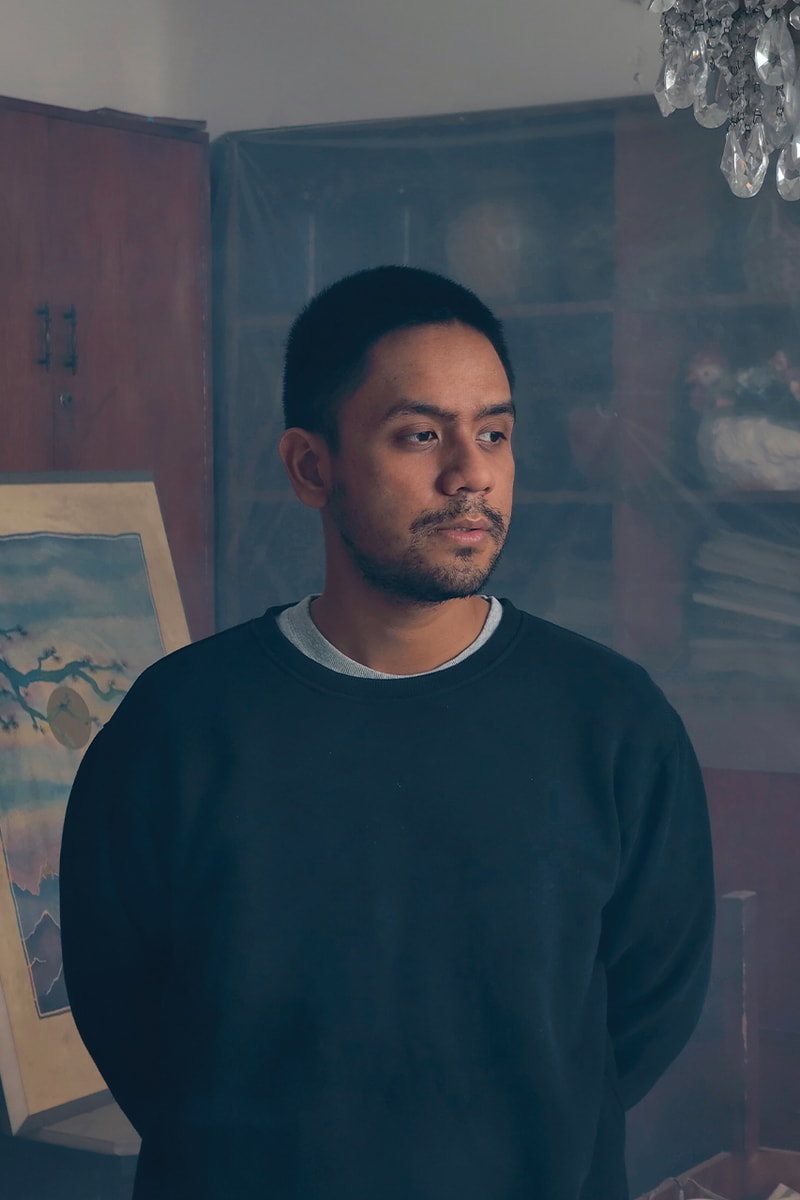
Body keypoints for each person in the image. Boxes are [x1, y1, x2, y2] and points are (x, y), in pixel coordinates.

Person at [60, 265, 715, 1200]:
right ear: (310, 467)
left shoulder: (613, 722)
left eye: (494, 433)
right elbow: (121, 1008)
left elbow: (647, 1009)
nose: (470, 473)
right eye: (421, 435)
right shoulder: (180, 726)